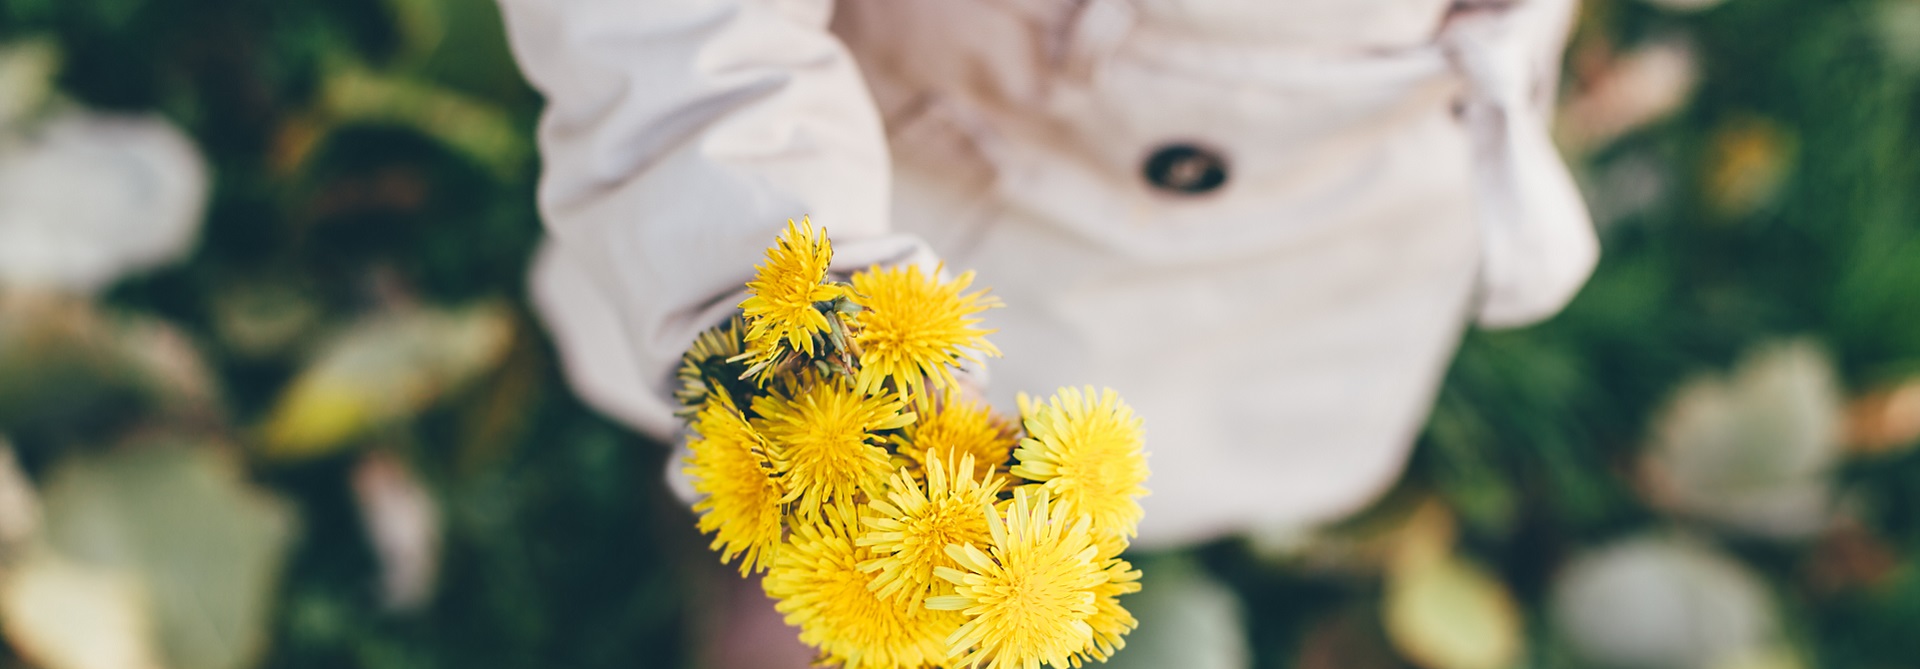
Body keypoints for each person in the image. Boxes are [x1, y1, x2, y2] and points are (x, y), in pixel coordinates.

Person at [497, 0, 1597, 547]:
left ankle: (1061, 559)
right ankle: (762, 558)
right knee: (815, 468)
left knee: (1160, 444)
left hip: (1335, 185)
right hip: (924, 149)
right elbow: (674, 36)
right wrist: (778, 296)